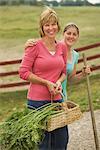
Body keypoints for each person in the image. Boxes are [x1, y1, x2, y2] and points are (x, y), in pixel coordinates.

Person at [19, 7, 69, 150]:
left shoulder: (62, 47)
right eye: (47, 24)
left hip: (57, 101)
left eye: (53, 24)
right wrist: (46, 82)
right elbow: (23, 72)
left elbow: (64, 72)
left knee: (61, 143)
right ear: (42, 27)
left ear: (58, 26)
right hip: (37, 103)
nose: (50, 28)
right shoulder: (34, 46)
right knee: (43, 145)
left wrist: (58, 82)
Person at [25, 22, 91, 99]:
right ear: (63, 34)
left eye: (74, 34)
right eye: (68, 33)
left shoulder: (75, 55)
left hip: (61, 96)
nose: (71, 36)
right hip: (44, 96)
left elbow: (70, 79)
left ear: (77, 37)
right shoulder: (54, 47)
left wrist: (83, 74)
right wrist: (28, 45)